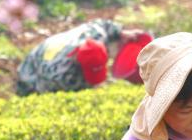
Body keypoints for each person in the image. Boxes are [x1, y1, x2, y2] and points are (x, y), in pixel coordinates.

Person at [16, 19, 150, 96]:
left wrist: (121, 32)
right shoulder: (60, 75)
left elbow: (101, 25)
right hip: (31, 74)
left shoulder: (95, 36)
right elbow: (59, 99)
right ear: (77, 64)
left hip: (59, 48)